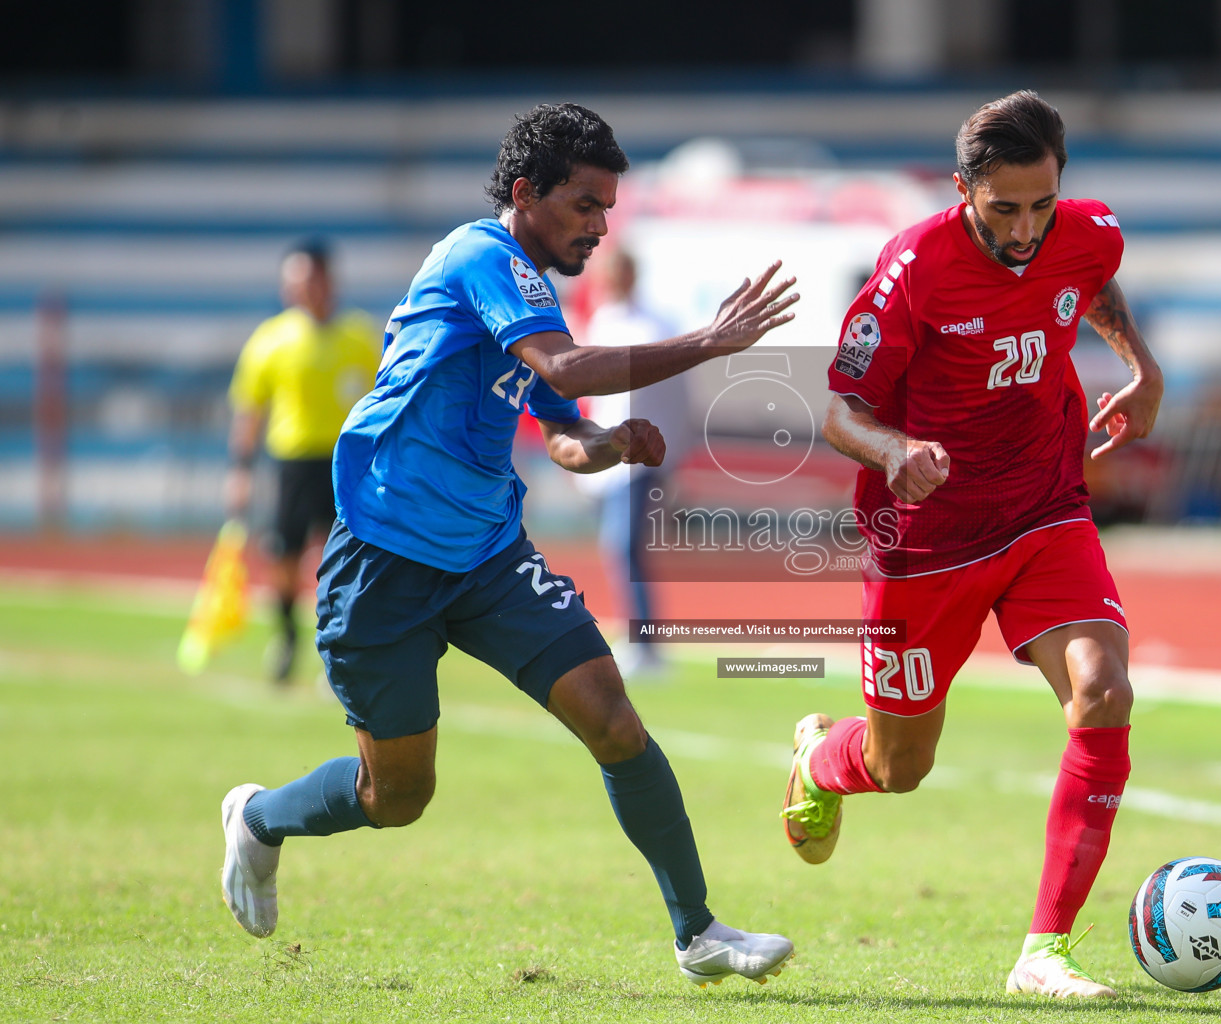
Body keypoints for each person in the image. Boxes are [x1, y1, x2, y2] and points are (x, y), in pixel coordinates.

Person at [219, 103, 801, 987]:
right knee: (398, 797)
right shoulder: (480, 258)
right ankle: (260, 820)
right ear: (526, 194)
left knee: (614, 717)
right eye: (584, 205)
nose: (600, 227)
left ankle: (699, 932)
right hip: (384, 556)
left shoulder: (533, 290)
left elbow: (563, 427)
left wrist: (608, 445)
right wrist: (713, 342)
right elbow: (565, 369)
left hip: (489, 554)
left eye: (608, 209)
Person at [779, 90, 1163, 999]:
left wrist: (1140, 366)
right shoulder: (913, 269)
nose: (1027, 229)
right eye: (1003, 209)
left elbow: (1092, 279)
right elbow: (841, 410)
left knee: (1104, 690)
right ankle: (820, 755)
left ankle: (1046, 950)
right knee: (898, 767)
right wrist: (895, 451)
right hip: (925, 542)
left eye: (1041, 204)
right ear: (963, 190)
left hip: (1044, 510)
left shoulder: (1088, 229)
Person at [226, 239, 380, 683]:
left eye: (308, 278)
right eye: (292, 281)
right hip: (292, 462)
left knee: (345, 558)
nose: (300, 288)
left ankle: (340, 648)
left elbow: (383, 398)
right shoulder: (271, 339)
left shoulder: (358, 336)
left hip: (344, 463)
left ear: (328, 280)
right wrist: (240, 470)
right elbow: (250, 408)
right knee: (285, 558)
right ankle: (287, 637)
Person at [573, 247, 691, 676]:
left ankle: (645, 640)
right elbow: (592, 396)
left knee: (625, 545)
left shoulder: (651, 324)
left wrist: (670, 450)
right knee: (617, 547)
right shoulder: (604, 319)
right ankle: (639, 635)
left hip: (640, 458)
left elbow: (672, 397)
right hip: (606, 457)